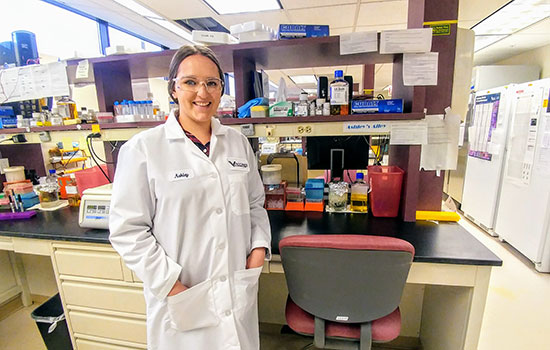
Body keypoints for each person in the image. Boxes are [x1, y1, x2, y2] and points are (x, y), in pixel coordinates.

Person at [109, 45, 271, 350]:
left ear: (221, 89)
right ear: (174, 88)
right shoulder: (144, 149)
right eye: (191, 82)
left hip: (236, 289)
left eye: (212, 83)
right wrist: (172, 285)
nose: (202, 92)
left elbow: (254, 205)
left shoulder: (237, 143)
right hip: (180, 294)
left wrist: (258, 250)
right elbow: (128, 231)